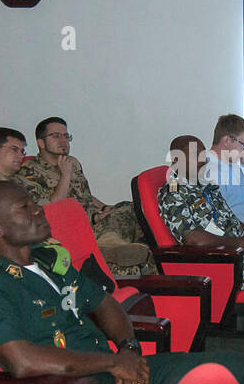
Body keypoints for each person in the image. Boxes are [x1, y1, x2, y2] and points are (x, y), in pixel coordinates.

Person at [0, 181, 244, 384]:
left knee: (234, 368)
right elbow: (22, 361)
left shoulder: (47, 261)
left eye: (33, 203)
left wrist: (128, 349)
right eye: (24, 208)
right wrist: (113, 362)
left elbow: (104, 303)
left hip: (109, 370)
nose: (38, 209)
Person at [16, 116, 153, 275]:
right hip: (70, 229)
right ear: (41, 142)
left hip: (94, 220)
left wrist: (104, 208)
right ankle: (114, 250)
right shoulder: (29, 172)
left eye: (66, 136)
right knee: (123, 225)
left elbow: (86, 195)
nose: (63, 141)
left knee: (129, 207)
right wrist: (65, 176)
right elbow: (51, 209)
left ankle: (118, 248)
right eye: (56, 136)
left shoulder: (72, 162)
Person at [158, 135, 244, 290]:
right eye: (196, 155)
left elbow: (229, 216)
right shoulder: (173, 193)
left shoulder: (205, 184)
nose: (203, 160)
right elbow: (193, 239)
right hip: (224, 264)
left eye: (203, 154)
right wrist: (239, 243)